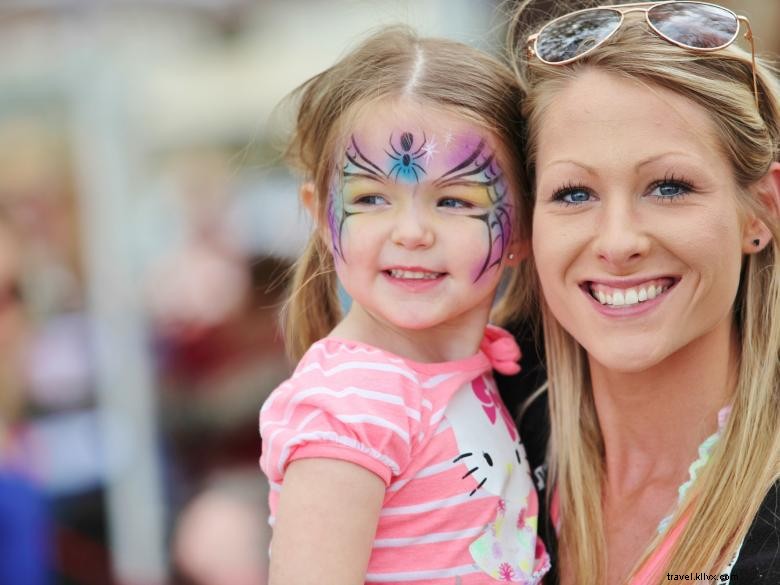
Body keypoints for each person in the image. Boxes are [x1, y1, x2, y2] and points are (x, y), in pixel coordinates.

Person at [259, 26, 550, 585]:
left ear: (521, 227)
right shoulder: (351, 404)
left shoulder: (471, 369)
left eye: (455, 200)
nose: (412, 231)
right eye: (370, 198)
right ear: (321, 217)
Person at [504, 1, 780, 584]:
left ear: (762, 209)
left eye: (669, 186)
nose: (619, 241)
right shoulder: (475, 436)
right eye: (575, 193)